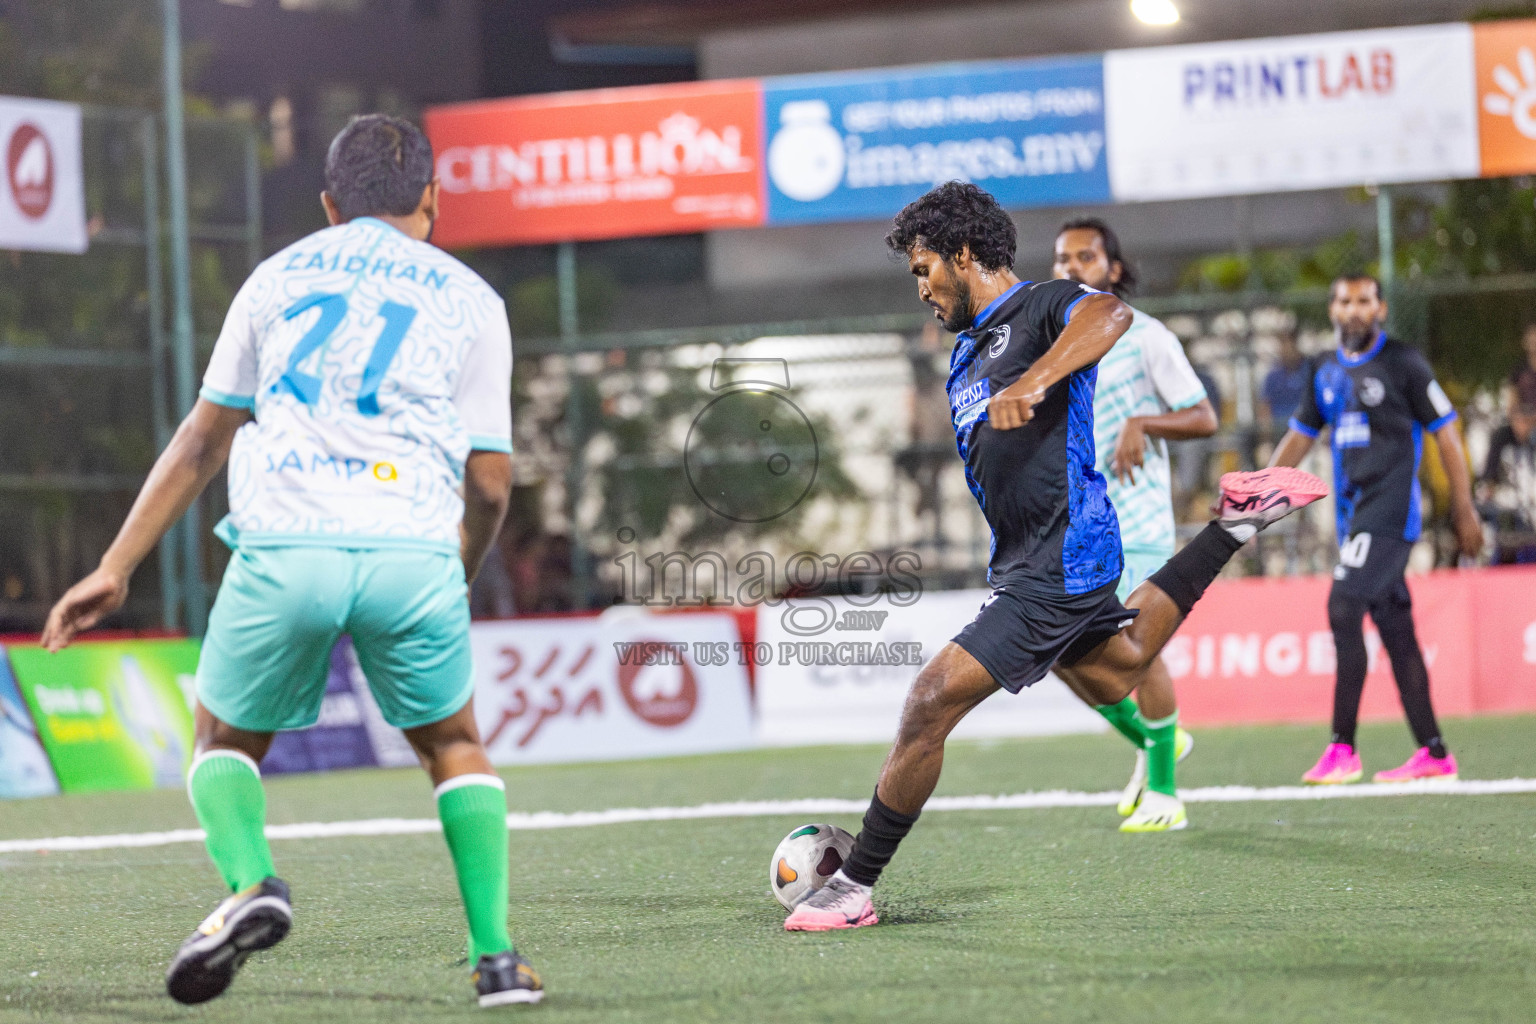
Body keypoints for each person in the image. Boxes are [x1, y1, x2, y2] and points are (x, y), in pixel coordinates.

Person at [40, 115, 542, 1008]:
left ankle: (251, 883)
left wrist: (116, 567)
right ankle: (498, 961)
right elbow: (494, 482)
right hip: (412, 548)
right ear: (432, 199)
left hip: (286, 542)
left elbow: (202, 439)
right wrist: (455, 566)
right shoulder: (472, 298)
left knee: (223, 740)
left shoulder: (273, 279)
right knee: (456, 746)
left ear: (326, 204)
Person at [783, 182, 1326, 932]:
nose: (921, 288)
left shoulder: (1043, 307)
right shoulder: (966, 352)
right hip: (1032, 559)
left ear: (964, 254)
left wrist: (1039, 378)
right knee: (1121, 665)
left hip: (1060, 558)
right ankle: (1232, 525)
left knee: (930, 700)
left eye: (923, 268)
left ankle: (853, 888)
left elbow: (1112, 312)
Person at [1269, 274, 1482, 785]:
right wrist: (1261, 490)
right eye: (1345, 301)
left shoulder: (1404, 364)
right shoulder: (1323, 369)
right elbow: (1299, 438)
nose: (1355, 310)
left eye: (1365, 301)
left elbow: (1448, 438)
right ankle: (1434, 753)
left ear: (1380, 309)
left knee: (1343, 605)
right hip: (1352, 517)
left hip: (1390, 517)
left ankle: (1343, 748)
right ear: (1332, 310)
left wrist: (1464, 508)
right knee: (1397, 634)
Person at [1052, 218, 1218, 830]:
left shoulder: (1146, 337)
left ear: (1113, 269)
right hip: (1078, 528)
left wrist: (1142, 423)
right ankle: (1159, 743)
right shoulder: (1057, 344)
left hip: (1140, 521)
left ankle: (1167, 795)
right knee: (1062, 655)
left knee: (1137, 652)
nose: (1072, 268)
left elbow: (1204, 416)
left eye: (1086, 257)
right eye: (1062, 259)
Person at [1481, 323, 1536, 487]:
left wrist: (1531, 422)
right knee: (1498, 436)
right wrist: (1516, 422)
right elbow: (1512, 402)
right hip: (1521, 423)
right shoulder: (1519, 370)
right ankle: (1488, 483)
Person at [1260, 330, 1309, 439]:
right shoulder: (1273, 376)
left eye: (1288, 345)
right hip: (1279, 431)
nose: (1285, 350)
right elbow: (1265, 406)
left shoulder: (1308, 370)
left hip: (1305, 429)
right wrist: (1266, 439)